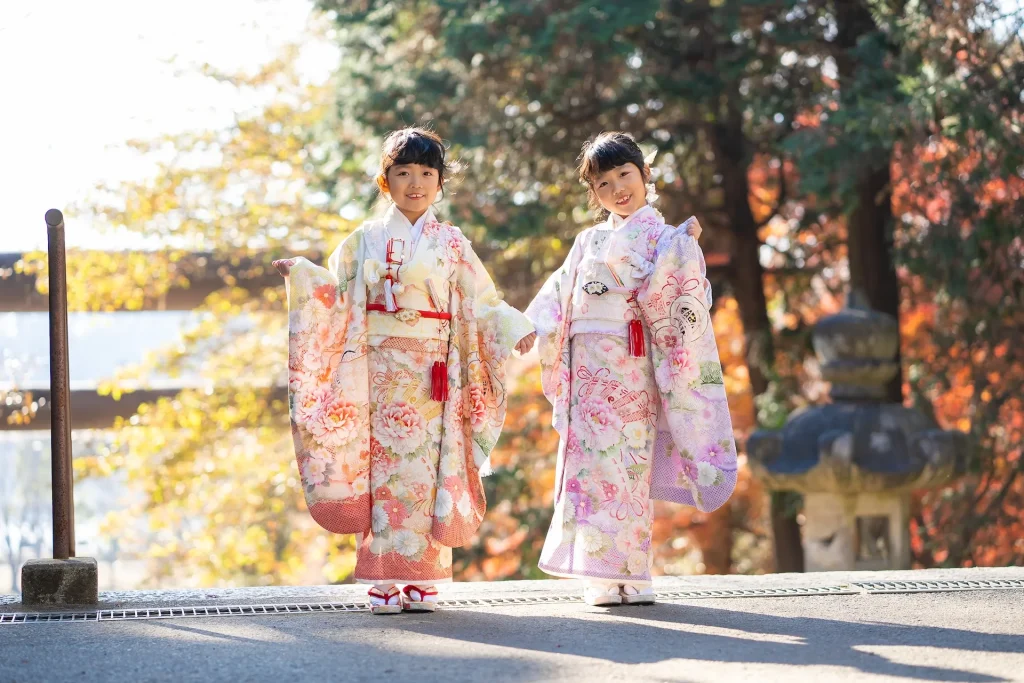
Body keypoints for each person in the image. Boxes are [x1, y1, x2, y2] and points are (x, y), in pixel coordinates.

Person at [274, 127, 535, 614]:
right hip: (375, 372)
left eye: (427, 173)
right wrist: (305, 277)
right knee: (379, 467)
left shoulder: (452, 243)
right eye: (404, 173)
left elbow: (482, 300)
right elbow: (336, 294)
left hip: (434, 373)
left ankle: (422, 576)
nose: (416, 183)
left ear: (440, 183)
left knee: (425, 466)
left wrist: (511, 326)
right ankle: (382, 579)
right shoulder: (364, 241)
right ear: (385, 180)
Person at [522, 131, 737, 606]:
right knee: (592, 465)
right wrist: (526, 327)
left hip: (633, 368)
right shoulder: (588, 241)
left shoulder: (666, 238)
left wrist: (684, 254)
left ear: (644, 175)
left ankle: (633, 573)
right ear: (593, 194)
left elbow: (681, 302)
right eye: (603, 183)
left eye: (625, 174)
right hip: (587, 374)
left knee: (628, 466)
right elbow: (558, 294)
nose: (618, 188)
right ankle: (601, 575)